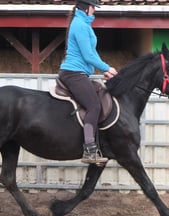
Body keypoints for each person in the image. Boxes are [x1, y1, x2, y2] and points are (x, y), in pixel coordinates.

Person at [58, 0, 118, 165]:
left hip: (80, 73)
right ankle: (90, 149)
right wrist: (107, 67)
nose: (94, 11)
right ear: (86, 8)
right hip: (73, 73)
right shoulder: (80, 25)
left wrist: (104, 70)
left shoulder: (83, 24)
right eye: (93, 8)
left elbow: (93, 53)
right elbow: (88, 56)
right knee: (94, 106)